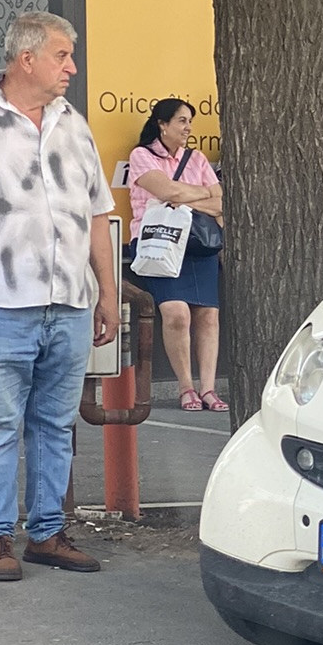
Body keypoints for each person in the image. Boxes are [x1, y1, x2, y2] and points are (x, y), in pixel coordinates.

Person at [0, 11, 117, 582]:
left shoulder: (73, 123)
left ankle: (46, 532)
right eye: (63, 56)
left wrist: (107, 294)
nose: (72, 67)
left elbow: (96, 215)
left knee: (56, 422)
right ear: (27, 59)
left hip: (69, 299)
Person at [127, 97, 225, 413]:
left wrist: (184, 197)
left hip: (198, 244)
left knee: (208, 315)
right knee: (176, 312)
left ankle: (208, 389)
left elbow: (221, 203)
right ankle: (187, 388)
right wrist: (200, 195)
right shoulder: (142, 156)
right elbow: (167, 192)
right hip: (160, 244)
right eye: (182, 121)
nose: (188, 128)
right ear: (162, 124)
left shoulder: (196, 159)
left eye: (190, 121)